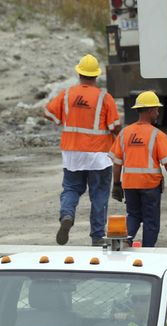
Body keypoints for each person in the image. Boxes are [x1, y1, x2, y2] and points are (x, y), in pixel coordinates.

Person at [44, 54, 122, 246]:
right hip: (99, 155)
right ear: (96, 76)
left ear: (79, 73)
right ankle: (96, 236)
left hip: (73, 154)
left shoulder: (67, 94)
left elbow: (48, 112)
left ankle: (67, 215)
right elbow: (115, 126)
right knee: (99, 195)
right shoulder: (104, 97)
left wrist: (67, 119)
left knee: (71, 188)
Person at [108, 91, 167, 247]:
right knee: (151, 220)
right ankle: (148, 251)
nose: (158, 112)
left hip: (130, 185)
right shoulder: (156, 134)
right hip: (149, 185)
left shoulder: (125, 133)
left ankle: (125, 241)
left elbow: (117, 162)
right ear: (149, 110)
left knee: (133, 215)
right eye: (156, 109)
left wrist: (116, 183)